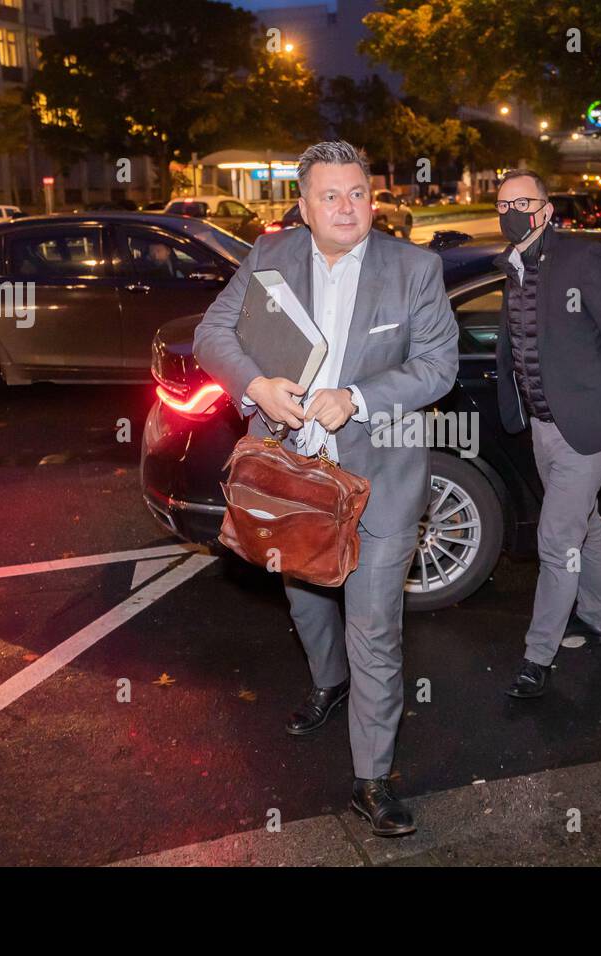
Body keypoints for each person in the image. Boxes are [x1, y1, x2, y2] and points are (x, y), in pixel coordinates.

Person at [193, 141, 459, 837]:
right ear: (304, 207)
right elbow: (212, 332)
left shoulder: (414, 268)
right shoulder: (269, 257)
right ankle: (327, 681)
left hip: (380, 481)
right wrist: (254, 384)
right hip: (289, 477)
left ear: (375, 197)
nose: (347, 207)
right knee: (305, 595)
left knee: (374, 626)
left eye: (358, 193)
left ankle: (372, 778)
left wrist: (359, 398)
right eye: (330, 196)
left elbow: (438, 366)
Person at [491, 169, 601, 700]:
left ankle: (539, 655)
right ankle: (597, 615)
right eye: (502, 204)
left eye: (522, 201)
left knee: (556, 538)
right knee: (585, 523)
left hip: (591, 422)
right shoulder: (512, 267)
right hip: (542, 422)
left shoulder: (582, 258)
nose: (511, 211)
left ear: (545, 208)